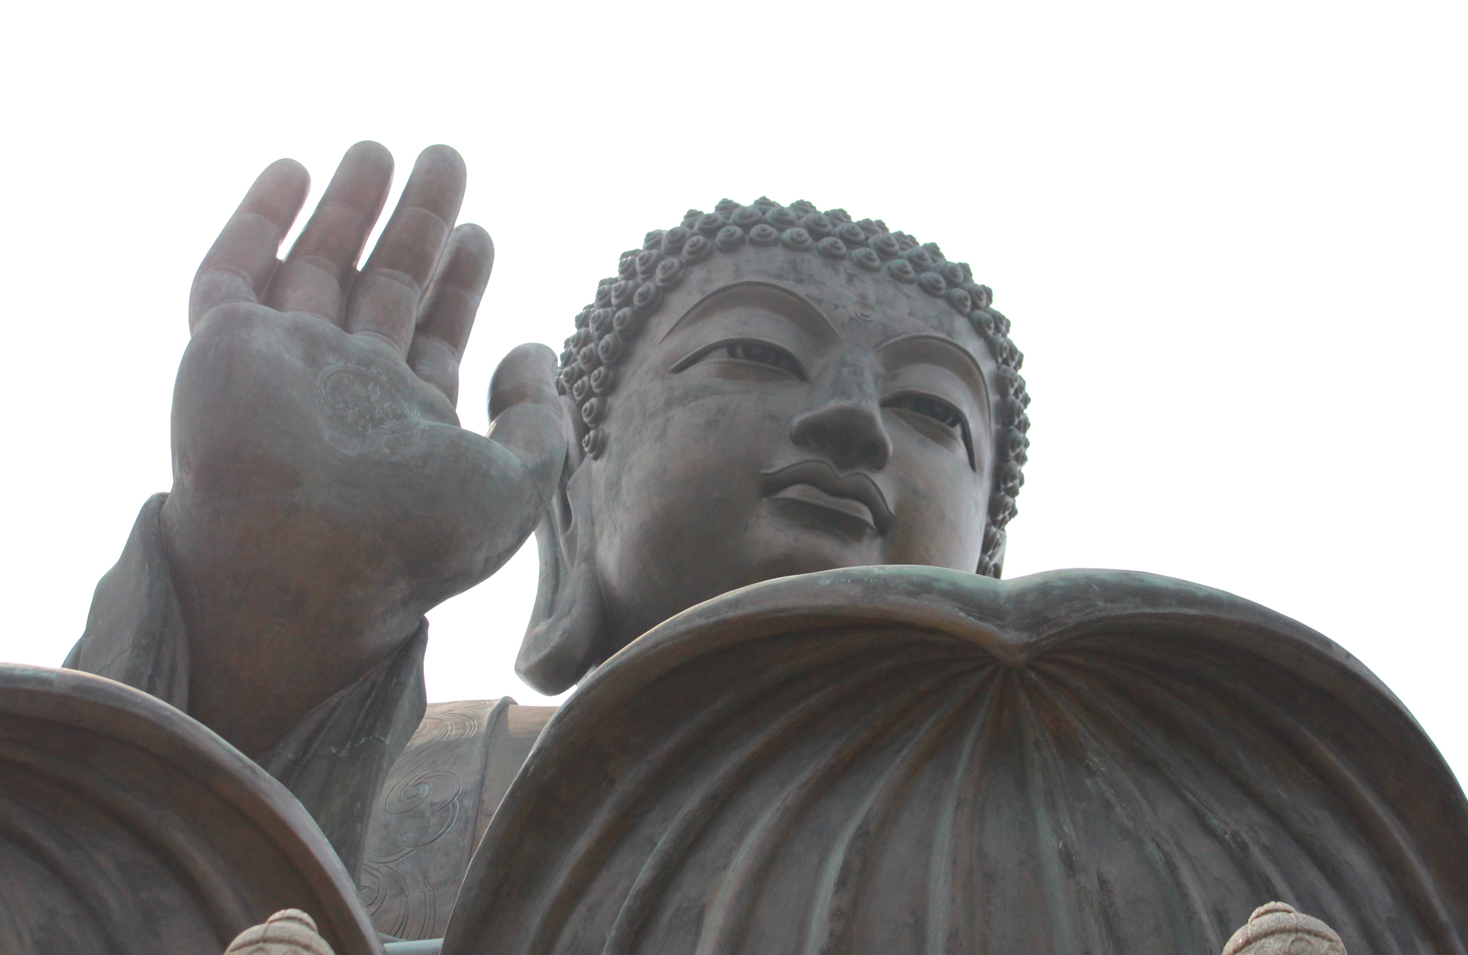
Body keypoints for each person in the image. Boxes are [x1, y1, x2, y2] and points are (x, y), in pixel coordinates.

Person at [65, 140, 1028, 880]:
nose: (855, 419)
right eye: (759, 354)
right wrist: (259, 619)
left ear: (990, 558)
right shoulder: (434, 786)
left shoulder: (1087, 829)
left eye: (935, 411)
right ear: (575, 498)